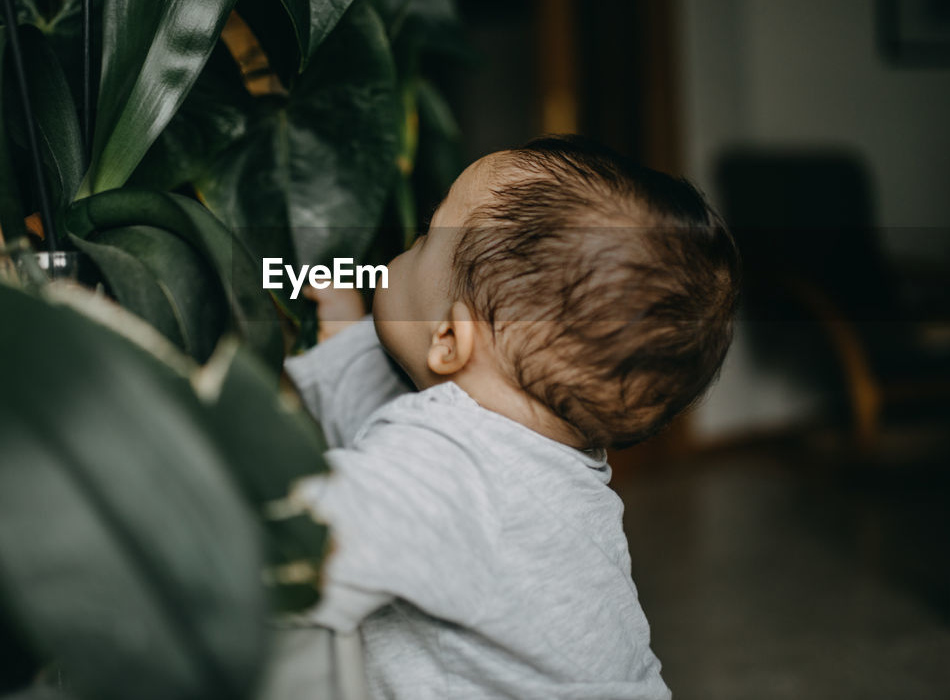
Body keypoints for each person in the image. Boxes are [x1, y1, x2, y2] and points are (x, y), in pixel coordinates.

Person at [284, 135, 740, 699]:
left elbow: (299, 544)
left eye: (429, 233)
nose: (409, 241)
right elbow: (391, 436)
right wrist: (342, 321)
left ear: (449, 338)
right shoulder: (541, 459)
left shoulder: (453, 467)